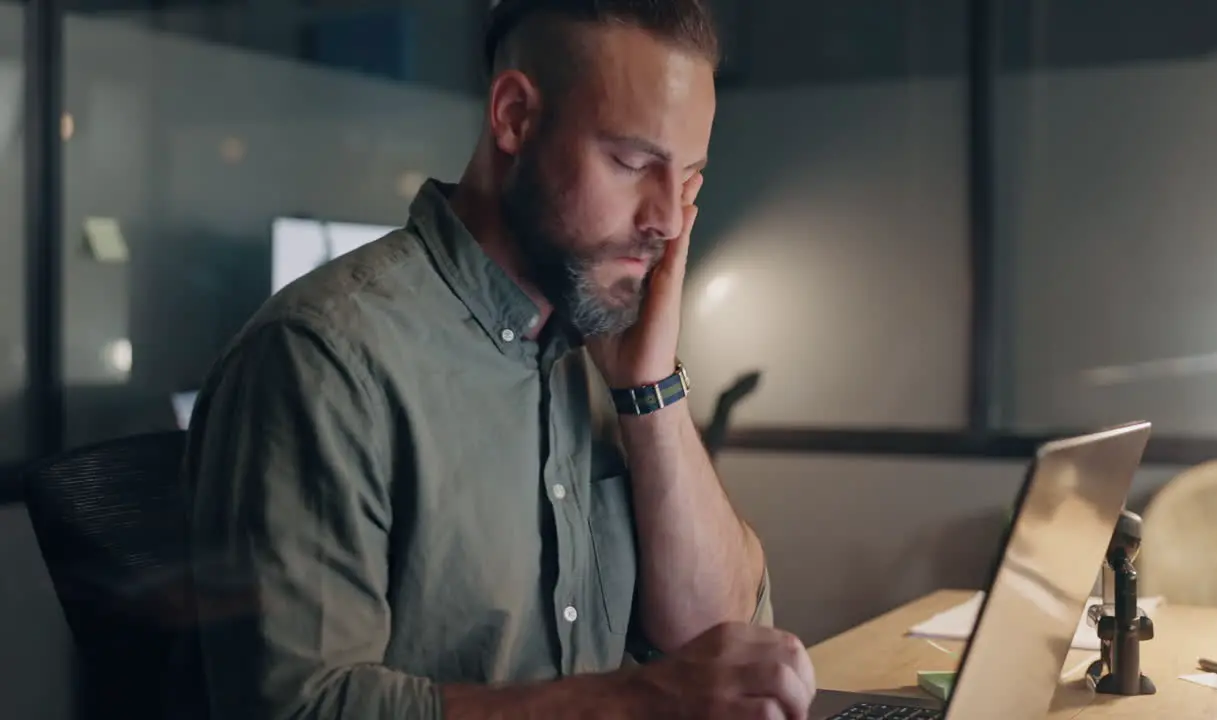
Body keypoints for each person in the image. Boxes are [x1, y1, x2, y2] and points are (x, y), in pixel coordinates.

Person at [181, 0, 817, 718]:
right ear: (514, 116)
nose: (667, 219)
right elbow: (300, 709)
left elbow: (720, 634)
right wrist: (631, 701)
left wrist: (650, 391)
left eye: (690, 179)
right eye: (634, 163)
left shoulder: (596, 345)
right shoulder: (324, 359)